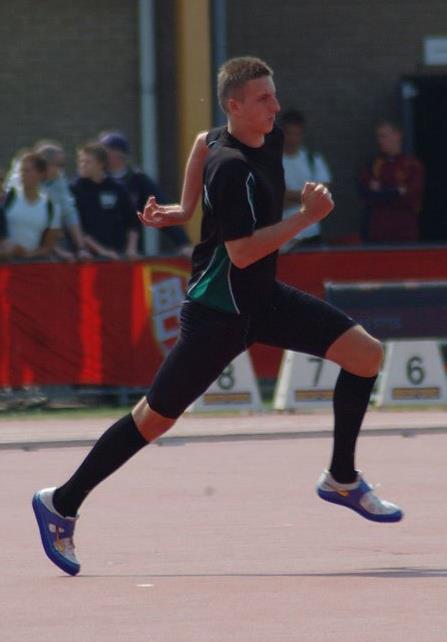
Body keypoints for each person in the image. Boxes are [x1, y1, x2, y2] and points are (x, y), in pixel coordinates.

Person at [32, 56, 402, 577]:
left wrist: (184, 209)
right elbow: (243, 252)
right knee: (154, 419)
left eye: (274, 94)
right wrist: (306, 218)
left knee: (365, 355)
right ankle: (61, 502)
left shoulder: (259, 138)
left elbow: (200, 141)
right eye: (263, 99)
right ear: (235, 105)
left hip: (263, 301)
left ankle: (341, 479)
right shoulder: (230, 169)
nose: (275, 107)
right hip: (219, 312)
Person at [99, 131, 192, 256]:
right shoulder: (96, 179)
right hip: (98, 252)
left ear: (118, 153)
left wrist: (183, 243)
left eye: (104, 151)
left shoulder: (137, 180)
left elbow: (159, 210)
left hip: (129, 252)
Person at [70, 143, 140, 260]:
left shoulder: (117, 188)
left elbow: (133, 222)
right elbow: (76, 227)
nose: (82, 165)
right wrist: (102, 251)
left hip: (118, 256)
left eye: (87, 162)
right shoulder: (74, 189)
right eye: (81, 161)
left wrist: (131, 248)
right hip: (87, 260)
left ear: (101, 164)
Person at [359, 120, 425, 244]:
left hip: (404, 232)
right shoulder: (373, 165)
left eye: (384, 136)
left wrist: (384, 191)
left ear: (397, 135)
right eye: (378, 137)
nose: (380, 141)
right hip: (378, 233)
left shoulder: (411, 165)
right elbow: (366, 193)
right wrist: (395, 191)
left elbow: (412, 194)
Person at [280, 109, 332, 250]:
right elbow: (274, 200)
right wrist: (306, 198)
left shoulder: (313, 160)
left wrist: (289, 197)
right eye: (289, 133)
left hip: (311, 235)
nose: (292, 138)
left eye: (296, 134)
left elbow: (321, 196)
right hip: (282, 237)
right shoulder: (272, 162)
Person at [34, 142, 92, 261]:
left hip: (53, 240)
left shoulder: (59, 180)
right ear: (45, 165)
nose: (61, 169)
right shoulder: (28, 182)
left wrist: (82, 248)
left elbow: (69, 213)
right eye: (59, 165)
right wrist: (56, 250)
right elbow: (33, 222)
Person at [0, 152, 61, 260]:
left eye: (27, 171)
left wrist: (27, 255)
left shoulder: (52, 207)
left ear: (41, 174)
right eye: (21, 170)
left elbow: (48, 246)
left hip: (30, 266)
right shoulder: (7, 198)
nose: (22, 174)